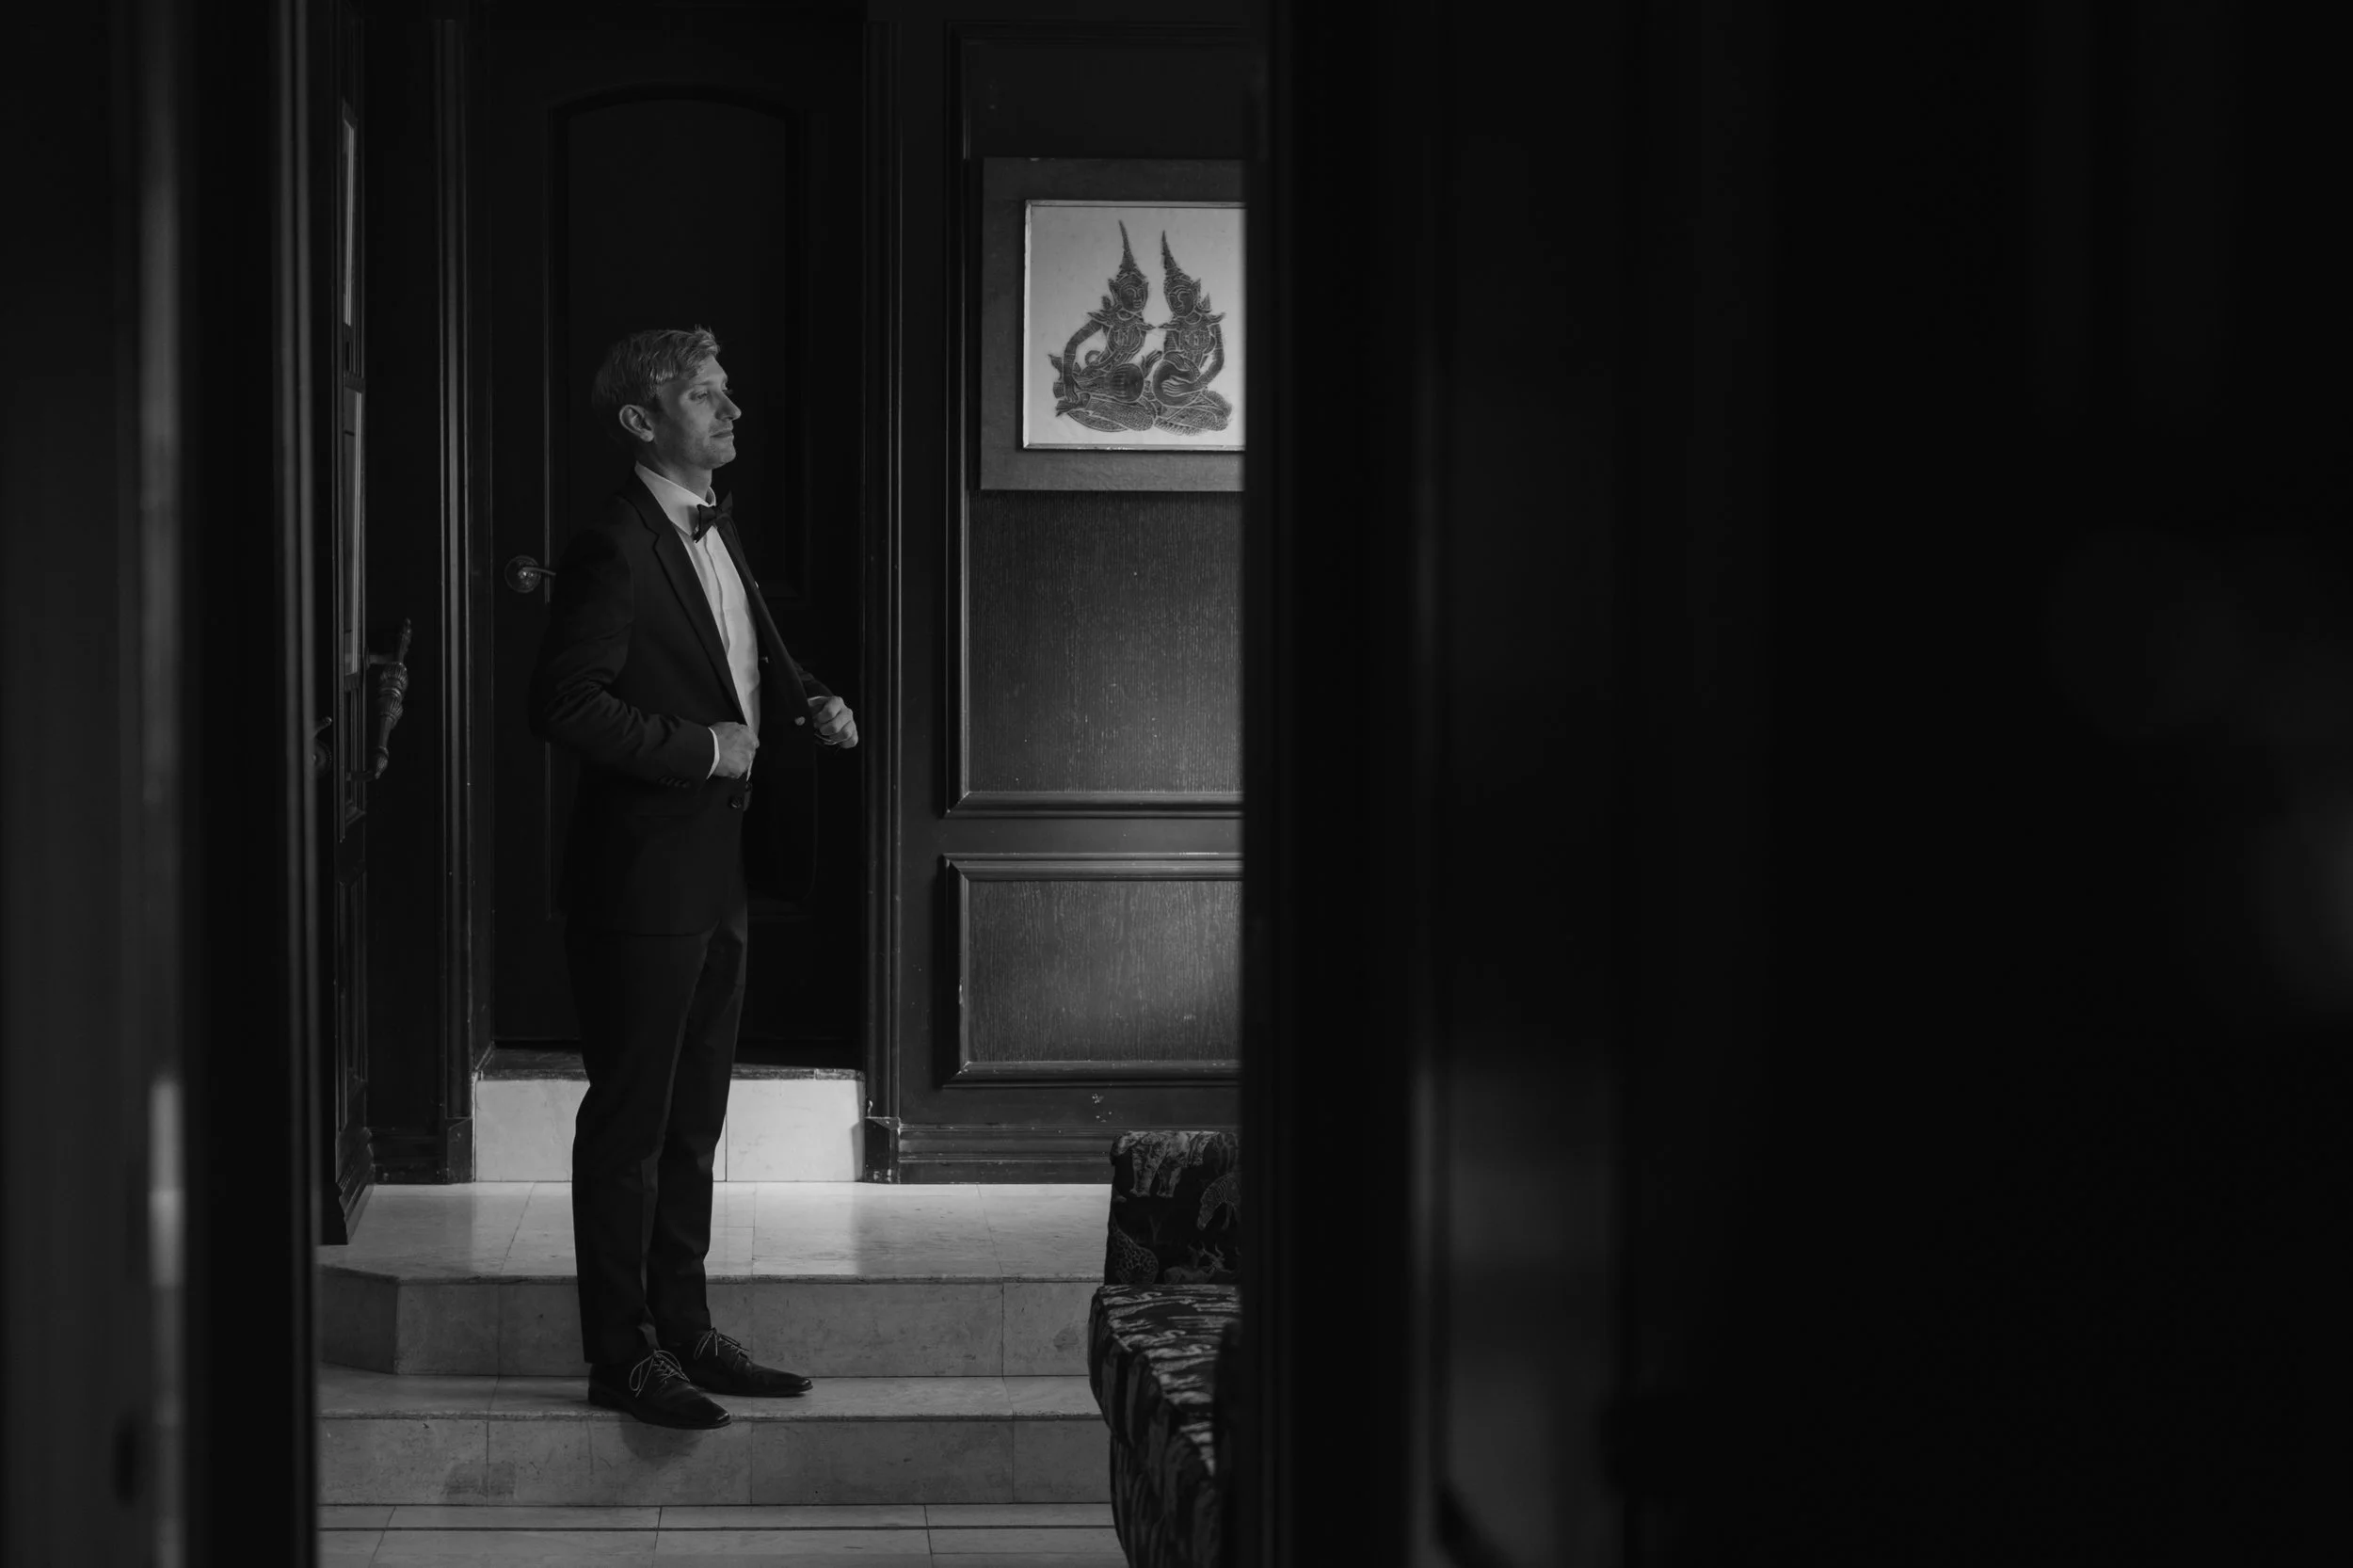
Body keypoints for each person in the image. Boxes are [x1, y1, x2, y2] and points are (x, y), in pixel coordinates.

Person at [527, 326, 857, 1429]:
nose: (733, 412)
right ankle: (619, 1354)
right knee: (629, 1126)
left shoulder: (716, 528)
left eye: (727, 392)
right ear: (641, 422)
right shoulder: (611, 543)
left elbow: (726, 662)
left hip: (718, 874)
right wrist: (702, 748)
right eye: (707, 396)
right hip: (639, 882)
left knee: (695, 1122)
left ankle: (684, 1326)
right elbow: (564, 705)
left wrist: (806, 700)